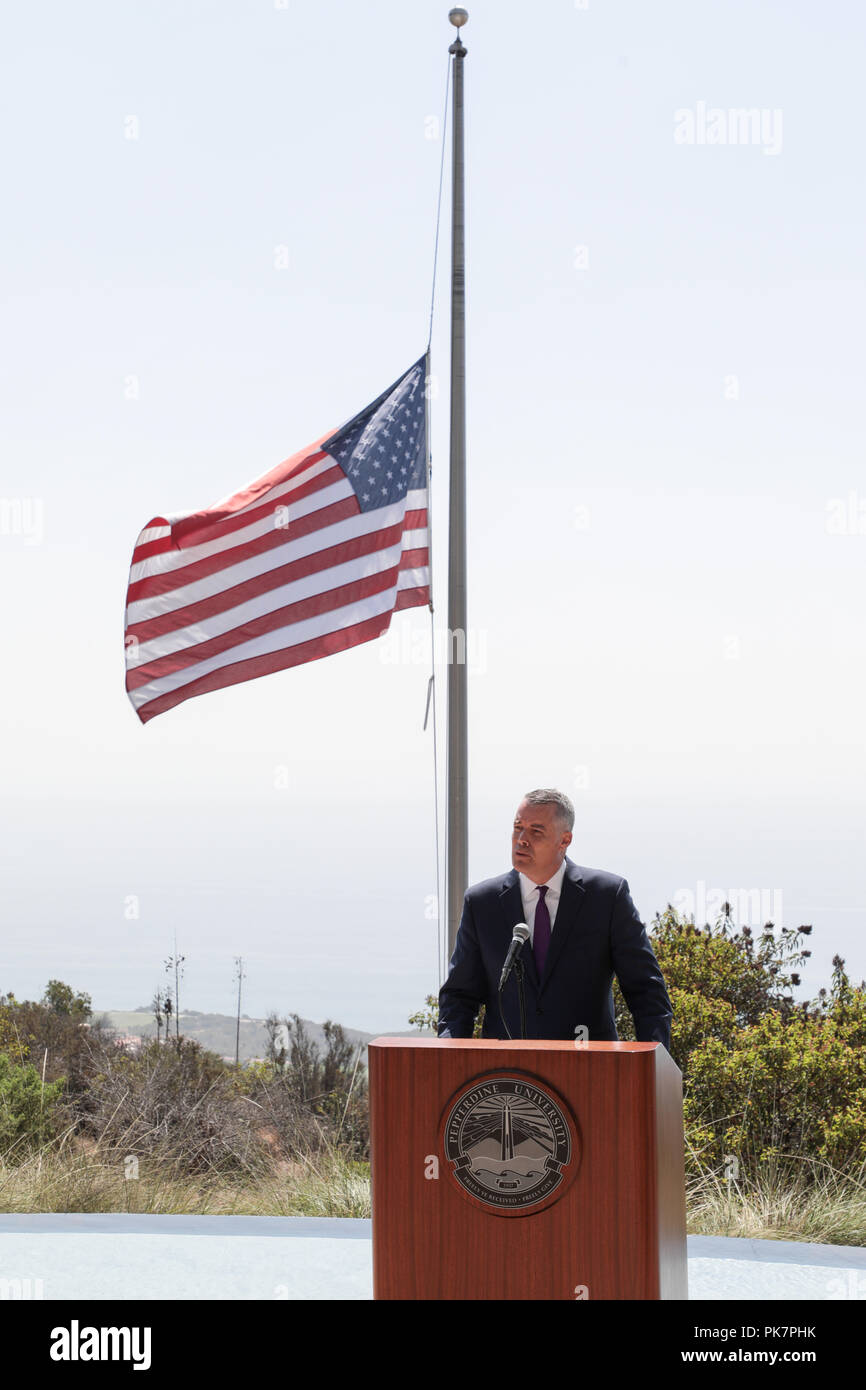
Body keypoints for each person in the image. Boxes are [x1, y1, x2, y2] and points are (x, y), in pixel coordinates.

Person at [438, 788, 673, 1048]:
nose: (521, 839)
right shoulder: (482, 902)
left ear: (565, 840)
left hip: (590, 1070)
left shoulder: (607, 897)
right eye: (518, 827)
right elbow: (459, 997)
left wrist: (653, 1063)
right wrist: (450, 1060)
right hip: (507, 1078)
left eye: (536, 831)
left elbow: (646, 991)